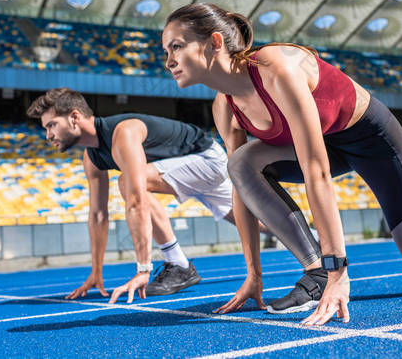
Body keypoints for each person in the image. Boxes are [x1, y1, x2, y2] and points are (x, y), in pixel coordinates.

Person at [160, 3, 402, 325]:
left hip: (372, 141)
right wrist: (253, 275)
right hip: (327, 145)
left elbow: (316, 172)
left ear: (214, 42)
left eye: (176, 46)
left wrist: (340, 269)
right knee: (240, 163)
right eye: (165, 51)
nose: (168, 60)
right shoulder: (225, 107)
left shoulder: (276, 68)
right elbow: (242, 191)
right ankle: (315, 273)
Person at [26, 88, 271, 304]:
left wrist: (143, 269)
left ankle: (179, 264)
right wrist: (96, 272)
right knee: (258, 223)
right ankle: (311, 238)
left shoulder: (123, 133)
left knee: (128, 181)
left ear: (75, 117)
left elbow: (136, 200)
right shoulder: (91, 158)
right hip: (188, 170)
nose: (48, 135)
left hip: (206, 159)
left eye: (51, 125)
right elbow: (98, 215)